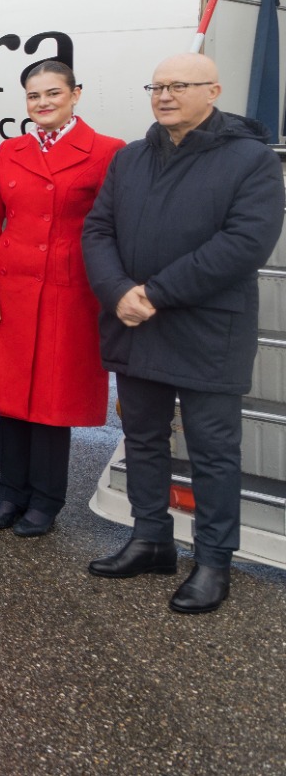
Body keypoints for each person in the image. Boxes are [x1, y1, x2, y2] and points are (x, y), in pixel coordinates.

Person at [82, 53, 284, 614]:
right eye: (158, 85)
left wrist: (154, 293)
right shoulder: (131, 158)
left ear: (213, 90)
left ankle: (214, 561)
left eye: (179, 86)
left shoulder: (251, 161)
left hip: (206, 330)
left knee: (213, 452)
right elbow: (98, 229)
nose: (164, 95)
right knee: (143, 438)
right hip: (134, 324)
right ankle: (151, 540)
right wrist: (117, 290)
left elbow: (245, 244)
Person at [0, 60, 123, 538]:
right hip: (11, 288)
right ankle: (10, 492)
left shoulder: (106, 152)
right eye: (34, 96)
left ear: (76, 93)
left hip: (67, 293)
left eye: (52, 93)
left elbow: (114, 228)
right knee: (9, 399)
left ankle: (45, 502)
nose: (43, 103)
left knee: (52, 403)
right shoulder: (10, 151)